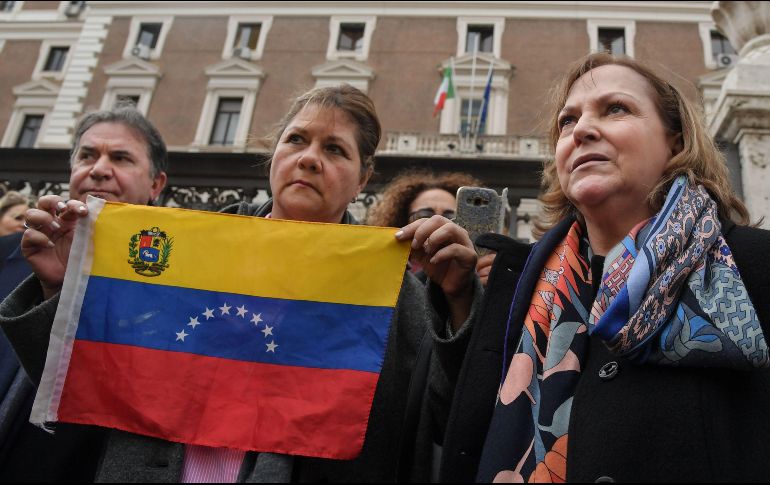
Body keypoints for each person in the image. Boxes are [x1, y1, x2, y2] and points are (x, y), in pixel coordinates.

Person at [1, 86, 480, 482]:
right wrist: (58, 291)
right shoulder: (182, 253)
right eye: (296, 140)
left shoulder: (393, 291)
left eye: (334, 149)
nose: (309, 159)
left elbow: (444, 421)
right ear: (274, 155)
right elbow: (88, 381)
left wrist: (458, 300)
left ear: (363, 179)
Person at [437, 52, 770, 483]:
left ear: (676, 141)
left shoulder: (753, 266)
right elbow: (448, 430)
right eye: (568, 121)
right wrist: (458, 301)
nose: (582, 131)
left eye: (616, 109)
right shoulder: (516, 284)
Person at [0, 106, 169, 481]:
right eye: (87, 155)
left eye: (121, 158)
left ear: (156, 185)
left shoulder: (177, 287)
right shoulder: (8, 255)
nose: (99, 169)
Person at [367, 170, 492, 283]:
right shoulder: (384, 271)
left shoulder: (474, 271)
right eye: (424, 215)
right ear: (403, 222)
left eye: (450, 217)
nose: (438, 221)